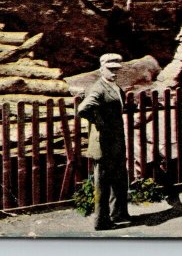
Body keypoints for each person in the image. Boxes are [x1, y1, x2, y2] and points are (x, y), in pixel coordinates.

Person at [78, 53, 130, 230]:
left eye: (117, 69)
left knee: (119, 179)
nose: (115, 73)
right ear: (101, 70)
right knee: (103, 184)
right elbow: (83, 109)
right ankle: (101, 221)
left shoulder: (114, 86)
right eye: (110, 69)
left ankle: (119, 213)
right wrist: (100, 123)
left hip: (115, 142)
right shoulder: (98, 89)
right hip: (103, 143)